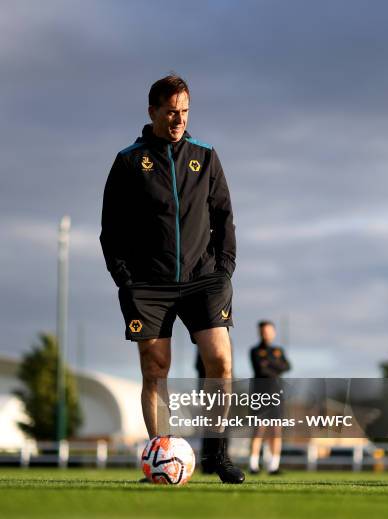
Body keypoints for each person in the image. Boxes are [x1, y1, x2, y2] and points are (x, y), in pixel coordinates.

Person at [100, 74, 244, 484]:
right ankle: (162, 456)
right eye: (170, 112)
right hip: (148, 285)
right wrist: (125, 279)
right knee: (155, 368)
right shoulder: (129, 161)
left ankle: (217, 453)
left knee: (220, 360)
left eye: (184, 111)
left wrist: (224, 269)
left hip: (204, 279)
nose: (178, 119)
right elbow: (112, 228)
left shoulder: (205, 155)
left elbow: (224, 217)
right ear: (153, 112)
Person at [248, 320, 291, 474]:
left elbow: (287, 366)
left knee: (276, 430)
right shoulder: (255, 351)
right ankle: (253, 464)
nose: (266, 334)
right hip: (259, 394)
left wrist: (270, 364)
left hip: (276, 394)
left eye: (268, 331)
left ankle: (274, 465)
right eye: (263, 331)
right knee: (258, 430)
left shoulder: (279, 350)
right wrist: (275, 365)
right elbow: (261, 369)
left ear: (274, 332)